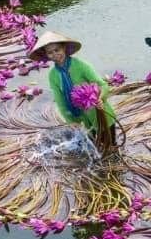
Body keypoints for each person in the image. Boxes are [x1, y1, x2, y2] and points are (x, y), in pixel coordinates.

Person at [31, 30, 118, 158]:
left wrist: (100, 98)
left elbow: (102, 85)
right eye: (50, 52)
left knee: (112, 146)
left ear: (64, 48)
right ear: (47, 55)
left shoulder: (81, 65)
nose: (55, 54)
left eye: (57, 50)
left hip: (101, 112)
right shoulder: (53, 75)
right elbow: (59, 100)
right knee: (98, 147)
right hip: (84, 117)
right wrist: (70, 120)